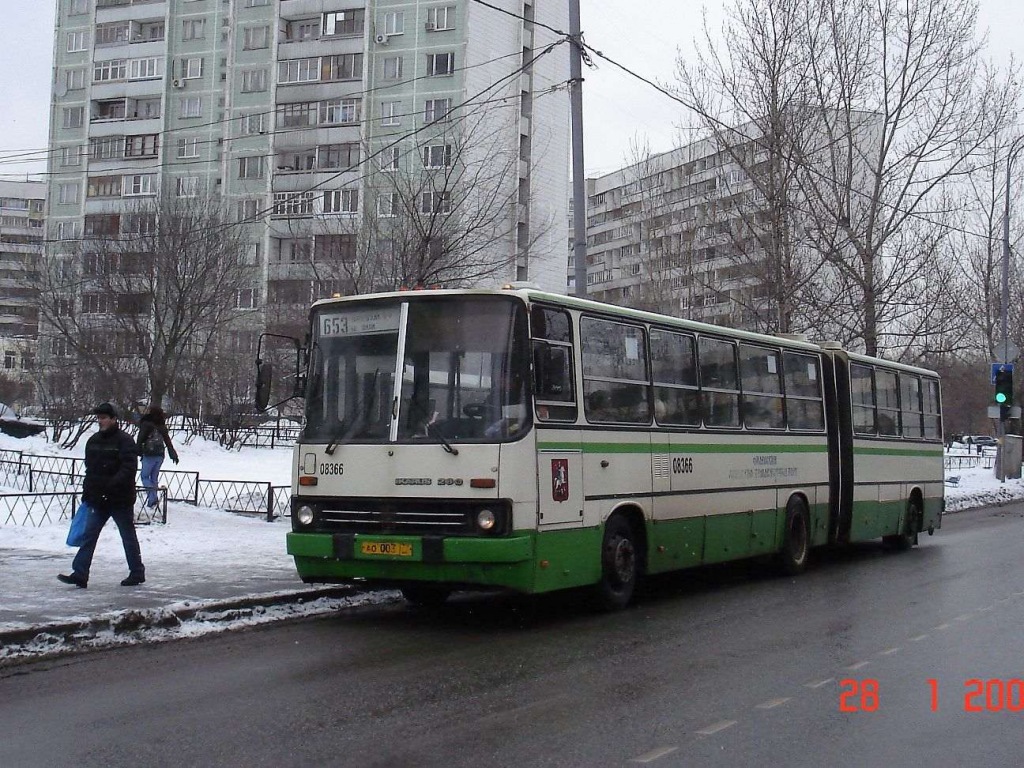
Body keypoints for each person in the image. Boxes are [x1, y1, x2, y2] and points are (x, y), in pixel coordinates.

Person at [58, 402, 145, 589]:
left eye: (104, 418)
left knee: (127, 535)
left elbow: (129, 468)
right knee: (89, 535)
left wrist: (111, 485)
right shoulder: (94, 441)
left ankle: (137, 572)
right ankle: (80, 574)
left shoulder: (125, 441)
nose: (101, 421)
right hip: (98, 499)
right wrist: (88, 492)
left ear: (114, 419)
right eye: (99, 418)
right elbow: (90, 469)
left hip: (120, 499)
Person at [136, 405, 179, 509]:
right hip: (160, 455)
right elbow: (168, 441)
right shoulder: (161, 426)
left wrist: (137, 451)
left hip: (149, 454)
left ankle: (152, 498)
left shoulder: (146, 424)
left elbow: (140, 439)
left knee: (145, 476)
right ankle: (153, 501)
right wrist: (173, 454)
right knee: (154, 477)